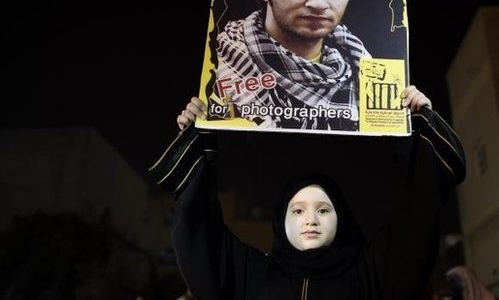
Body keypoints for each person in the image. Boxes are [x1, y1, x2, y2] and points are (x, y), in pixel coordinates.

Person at [151, 85, 465, 299]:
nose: (310, 219)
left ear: (342, 218)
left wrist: (414, 124)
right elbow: (199, 231)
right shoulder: (249, 275)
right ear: (280, 220)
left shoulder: (374, 274)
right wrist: (200, 138)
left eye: (323, 209)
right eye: (298, 210)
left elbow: (417, 213)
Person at [212, 0, 370, 130]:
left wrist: (406, 113)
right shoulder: (217, 63)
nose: (318, 3)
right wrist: (195, 128)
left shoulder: (364, 69)